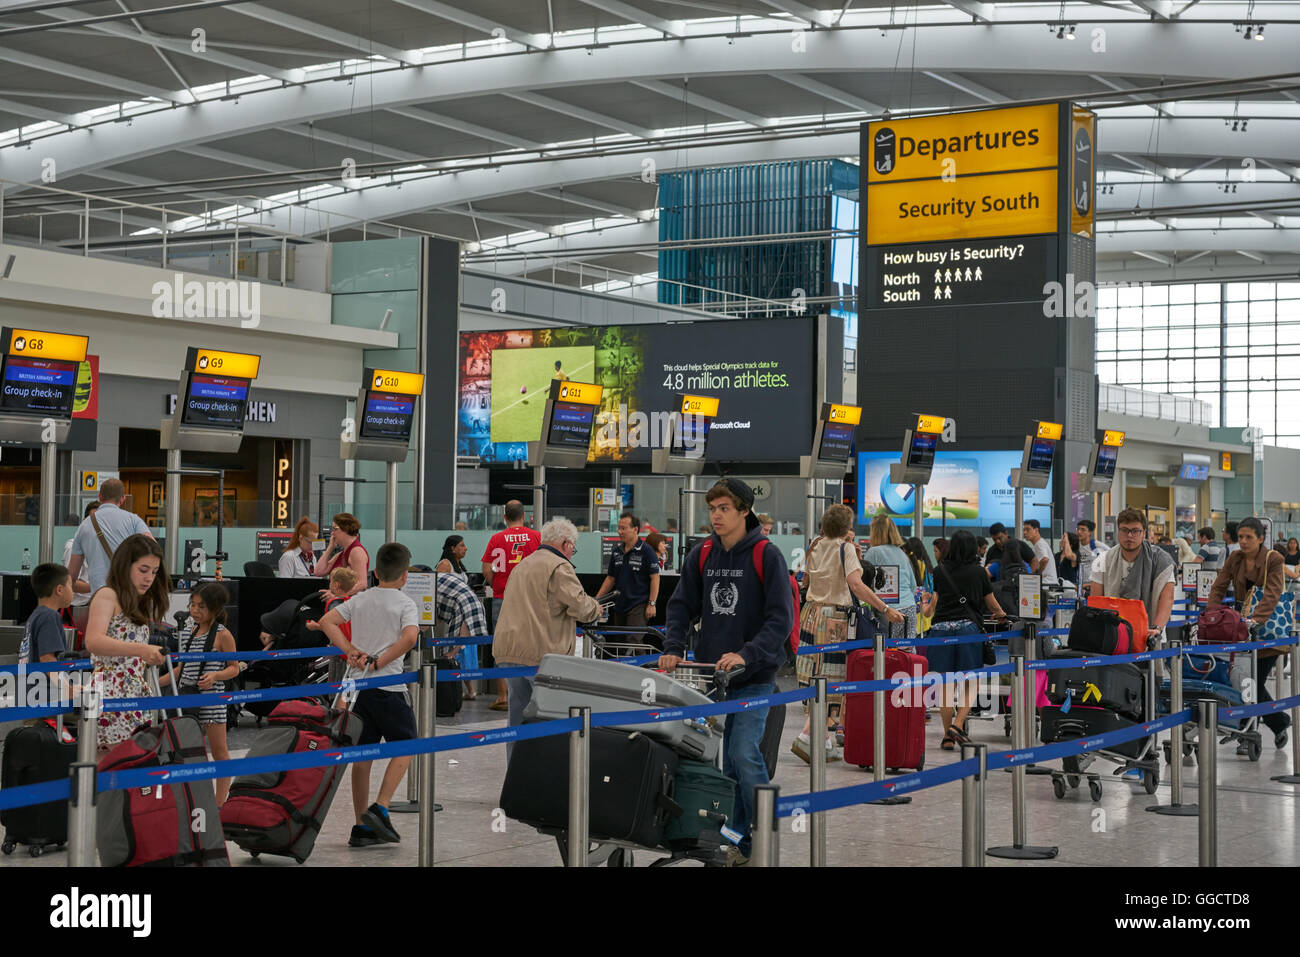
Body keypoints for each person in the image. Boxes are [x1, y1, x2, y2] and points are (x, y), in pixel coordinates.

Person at [659, 478, 792, 867]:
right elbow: (682, 605)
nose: (715, 516)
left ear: (744, 511)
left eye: (724, 509)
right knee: (726, 764)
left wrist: (746, 654)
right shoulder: (702, 554)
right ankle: (738, 842)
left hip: (756, 676)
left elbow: (780, 619)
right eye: (712, 508)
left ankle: (764, 836)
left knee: (742, 753)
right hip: (712, 678)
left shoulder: (767, 555)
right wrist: (672, 647)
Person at [318, 542, 420, 847]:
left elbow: (327, 622)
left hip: (357, 688)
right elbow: (410, 637)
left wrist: (350, 651)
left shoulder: (360, 599)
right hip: (388, 686)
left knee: (362, 755)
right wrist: (382, 661)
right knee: (407, 745)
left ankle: (361, 824)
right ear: (404, 576)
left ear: (375, 572)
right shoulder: (405, 603)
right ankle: (382, 805)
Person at [792, 504, 902, 764]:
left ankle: (826, 741)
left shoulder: (815, 545)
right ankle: (807, 734)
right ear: (846, 526)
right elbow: (856, 585)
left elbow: (805, 581)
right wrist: (885, 608)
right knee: (833, 679)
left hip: (811, 614)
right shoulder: (846, 549)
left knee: (815, 675)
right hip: (835, 619)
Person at [491, 518, 602, 760]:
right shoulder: (559, 567)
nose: (573, 552)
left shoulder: (524, 564)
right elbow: (581, 607)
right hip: (541, 654)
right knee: (553, 720)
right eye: (573, 546)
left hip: (509, 651)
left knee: (517, 721)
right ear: (565, 543)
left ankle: (516, 781)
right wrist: (596, 608)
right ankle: (546, 782)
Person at [1206, 516, 1292, 749]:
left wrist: (1255, 620)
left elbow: (1273, 593)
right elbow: (1219, 586)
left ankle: (1254, 730)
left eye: (1249, 537)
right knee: (1243, 681)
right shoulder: (1235, 558)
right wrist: (1211, 614)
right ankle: (1268, 724)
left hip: (1269, 632)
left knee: (1252, 682)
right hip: (1242, 630)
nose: (1243, 542)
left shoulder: (1275, 559)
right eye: (1240, 537)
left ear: (1261, 539)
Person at [85, 534, 168, 754]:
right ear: (125, 565)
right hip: (108, 692)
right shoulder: (107, 595)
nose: (149, 578)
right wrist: (142, 650)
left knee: (131, 767)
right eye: (143, 570)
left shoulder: (136, 602)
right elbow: (93, 640)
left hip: (134, 692)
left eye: (154, 572)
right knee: (109, 767)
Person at [929, 530, 1006, 749]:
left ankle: (947, 736)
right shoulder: (978, 573)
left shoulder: (939, 571)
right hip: (968, 630)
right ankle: (958, 724)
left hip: (940, 630)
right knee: (971, 681)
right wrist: (1000, 614)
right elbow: (992, 604)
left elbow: (936, 600)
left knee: (946, 685)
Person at [171, 583, 241, 804]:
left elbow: (234, 667)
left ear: (215, 608)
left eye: (202, 606)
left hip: (212, 701)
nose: (195, 610)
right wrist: (150, 683)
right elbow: (180, 668)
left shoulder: (223, 635)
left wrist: (215, 677)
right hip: (189, 697)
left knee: (219, 751)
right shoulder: (189, 630)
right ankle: (195, 799)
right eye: (193, 605)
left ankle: (220, 802)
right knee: (191, 752)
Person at [481, 501, 542, 711]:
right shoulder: (536, 537)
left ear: (504, 517)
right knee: (532, 643)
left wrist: (496, 583)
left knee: (502, 646)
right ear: (523, 516)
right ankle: (532, 693)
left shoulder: (496, 538)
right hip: (530, 599)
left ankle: (502, 696)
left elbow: (487, 568)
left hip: (502, 597)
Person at [1088, 508, 1175, 647]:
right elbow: (1096, 601)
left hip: (1150, 635)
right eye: (1124, 530)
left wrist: (1157, 628)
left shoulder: (1160, 560)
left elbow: (1167, 598)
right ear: (1118, 532)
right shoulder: (1102, 560)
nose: (1129, 535)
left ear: (1144, 533)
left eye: (1135, 531)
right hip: (1113, 637)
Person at [66, 478, 154, 599]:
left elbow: (71, 577)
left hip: (99, 596)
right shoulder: (134, 521)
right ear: (123, 499)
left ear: (100, 497)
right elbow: (153, 550)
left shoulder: (84, 526)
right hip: (127, 594)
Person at [595, 512, 660, 626]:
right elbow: (610, 578)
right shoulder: (617, 551)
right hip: (619, 604)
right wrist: (596, 600)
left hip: (638, 604)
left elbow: (655, 578)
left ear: (635, 529)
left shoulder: (647, 551)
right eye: (619, 528)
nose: (620, 531)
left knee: (633, 640)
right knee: (619, 640)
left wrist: (652, 603)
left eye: (623, 528)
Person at [433, 570, 489, 699]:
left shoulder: (435, 585)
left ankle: (457, 692)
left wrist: (454, 650)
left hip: (464, 619)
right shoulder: (464, 597)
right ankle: (464, 691)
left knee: (456, 657)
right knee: (462, 658)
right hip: (467, 616)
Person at [864, 515, 920, 642]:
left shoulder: (873, 552)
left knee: (886, 653)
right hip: (909, 607)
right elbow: (913, 585)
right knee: (907, 653)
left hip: (887, 611)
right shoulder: (901, 553)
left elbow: (863, 583)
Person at [21, 563, 73, 666]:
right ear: (59, 590)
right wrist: (64, 682)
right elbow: (47, 659)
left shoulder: (36, 615)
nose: (73, 591)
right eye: (71, 586)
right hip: (45, 682)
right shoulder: (49, 616)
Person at [62, 502, 98, 632]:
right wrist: (98, 586)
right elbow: (70, 583)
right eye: (93, 520)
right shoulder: (73, 546)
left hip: (94, 606)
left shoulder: (99, 548)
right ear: (85, 521)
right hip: (76, 609)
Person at [313, 513, 368, 595]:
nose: (332, 533)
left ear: (345, 529)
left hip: (349, 604)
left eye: (334, 529)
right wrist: (330, 547)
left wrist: (337, 595)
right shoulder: (342, 554)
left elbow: (362, 584)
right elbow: (318, 572)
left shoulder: (356, 552)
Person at [1022, 519, 1059, 587]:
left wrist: (1038, 575)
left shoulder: (1039, 544)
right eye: (1024, 530)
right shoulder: (1038, 544)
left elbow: (1045, 559)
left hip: (1047, 583)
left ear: (1036, 530)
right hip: (1047, 583)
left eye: (1027, 529)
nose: (1024, 532)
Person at [1075, 519, 1109, 588]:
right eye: (1078, 529)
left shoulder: (1095, 545)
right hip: (1080, 584)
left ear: (1090, 532)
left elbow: (1111, 554)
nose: (1079, 532)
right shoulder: (1076, 546)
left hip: (1093, 584)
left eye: (1083, 530)